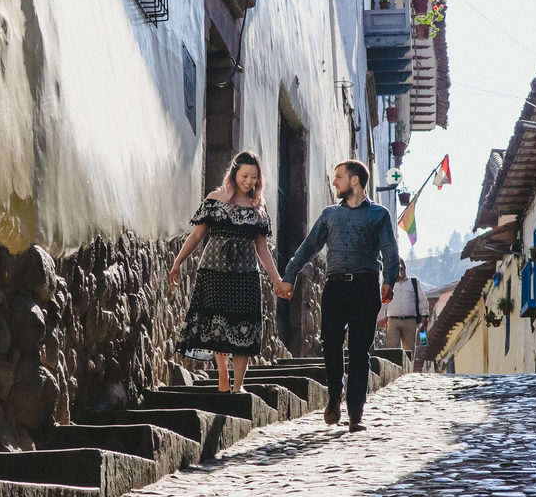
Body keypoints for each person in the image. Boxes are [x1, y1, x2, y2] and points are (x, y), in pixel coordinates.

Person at [275, 160, 399, 432]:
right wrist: (289, 275)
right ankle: (334, 396)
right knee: (330, 341)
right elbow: (309, 247)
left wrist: (388, 279)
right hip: (335, 287)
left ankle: (356, 413)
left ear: (355, 180)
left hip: (366, 288)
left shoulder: (379, 214)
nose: (334, 182)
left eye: (339, 177)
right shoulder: (330, 214)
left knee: (359, 352)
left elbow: (390, 250)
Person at [169, 151, 283, 393]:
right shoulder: (214, 199)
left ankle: (238, 385)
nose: (249, 181)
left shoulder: (258, 207)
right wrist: (178, 261)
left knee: (245, 329)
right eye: (245, 175)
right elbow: (197, 235)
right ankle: (223, 375)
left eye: (254, 177)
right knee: (218, 326)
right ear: (234, 174)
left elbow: (262, 249)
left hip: (246, 276)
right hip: (214, 272)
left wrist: (277, 279)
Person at [378, 257, 429, 352]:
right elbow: (382, 303)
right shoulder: (387, 285)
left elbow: (422, 300)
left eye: (400, 269)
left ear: (405, 268)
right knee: (393, 352)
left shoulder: (414, 283)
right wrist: (381, 318)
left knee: (409, 351)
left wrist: (424, 315)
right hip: (392, 322)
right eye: (395, 270)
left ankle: (409, 367)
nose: (398, 272)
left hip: (410, 322)